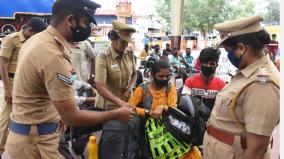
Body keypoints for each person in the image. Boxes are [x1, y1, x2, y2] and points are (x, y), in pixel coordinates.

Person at [5, 1, 135, 159]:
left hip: (32, 136)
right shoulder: (52, 53)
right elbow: (72, 117)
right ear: (70, 20)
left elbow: (43, 91)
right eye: (86, 22)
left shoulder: (38, 40)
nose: (89, 28)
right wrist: (115, 114)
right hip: (35, 144)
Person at [203, 16, 279, 159]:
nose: (228, 54)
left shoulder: (263, 82)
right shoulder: (247, 72)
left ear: (242, 49)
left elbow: (257, 148)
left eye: (227, 50)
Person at [128, 60, 201, 159]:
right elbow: (129, 107)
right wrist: (146, 112)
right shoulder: (142, 89)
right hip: (151, 132)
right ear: (152, 74)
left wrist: (163, 107)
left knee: (191, 152)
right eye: (161, 76)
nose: (165, 79)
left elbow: (173, 107)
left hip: (170, 127)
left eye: (167, 76)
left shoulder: (169, 87)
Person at [0, 17, 47, 156]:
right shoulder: (11, 39)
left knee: (25, 116)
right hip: (13, 82)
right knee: (7, 116)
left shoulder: (35, 41)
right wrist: (8, 89)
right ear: (30, 30)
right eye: (36, 34)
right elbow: (2, 64)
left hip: (28, 83)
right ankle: (1, 148)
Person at [95, 20, 138, 159]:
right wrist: (120, 103)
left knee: (123, 138)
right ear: (113, 38)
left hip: (124, 103)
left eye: (127, 42)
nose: (124, 45)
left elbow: (134, 74)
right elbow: (100, 87)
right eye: (122, 42)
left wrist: (129, 89)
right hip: (108, 106)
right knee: (110, 139)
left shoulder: (129, 53)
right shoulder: (103, 57)